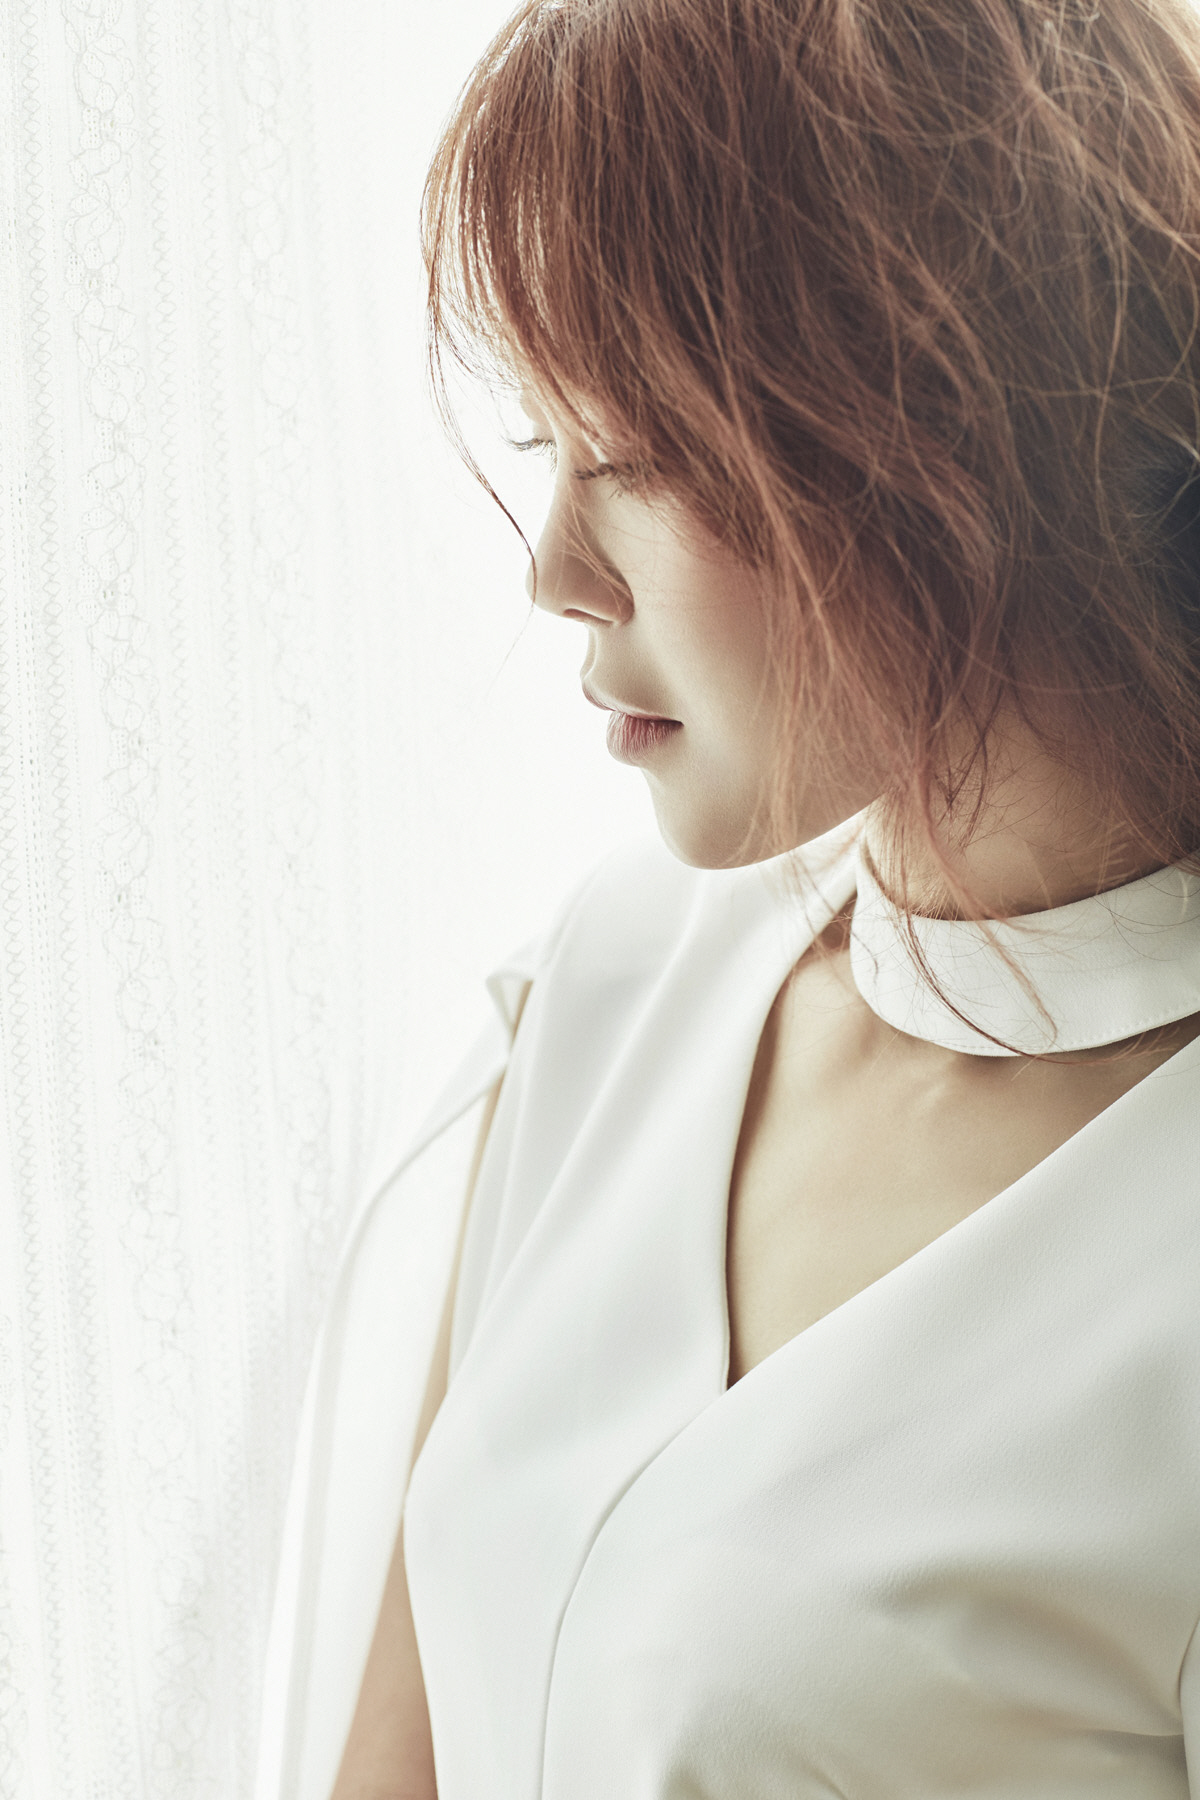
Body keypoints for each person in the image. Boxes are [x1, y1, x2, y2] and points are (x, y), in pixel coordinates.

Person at [255, 1, 1200, 1795]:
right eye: (543, 449)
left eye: (635, 454)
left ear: (949, 436)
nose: (554, 572)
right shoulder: (617, 982)